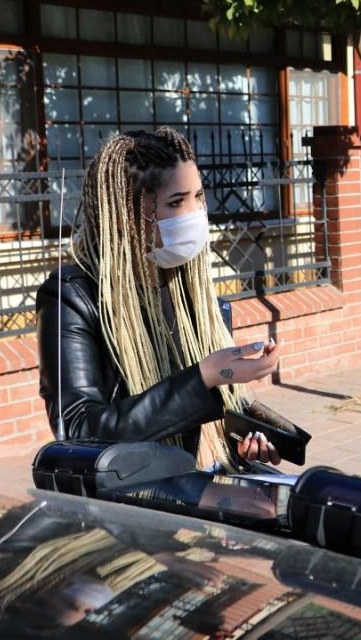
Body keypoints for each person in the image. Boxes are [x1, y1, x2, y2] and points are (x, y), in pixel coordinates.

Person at [37, 128, 282, 471]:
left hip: (202, 491)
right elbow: (78, 430)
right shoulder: (72, 299)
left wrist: (244, 438)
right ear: (127, 214)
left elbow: (204, 421)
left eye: (198, 196)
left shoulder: (199, 298)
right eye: (176, 201)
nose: (195, 212)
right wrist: (203, 377)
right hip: (132, 505)